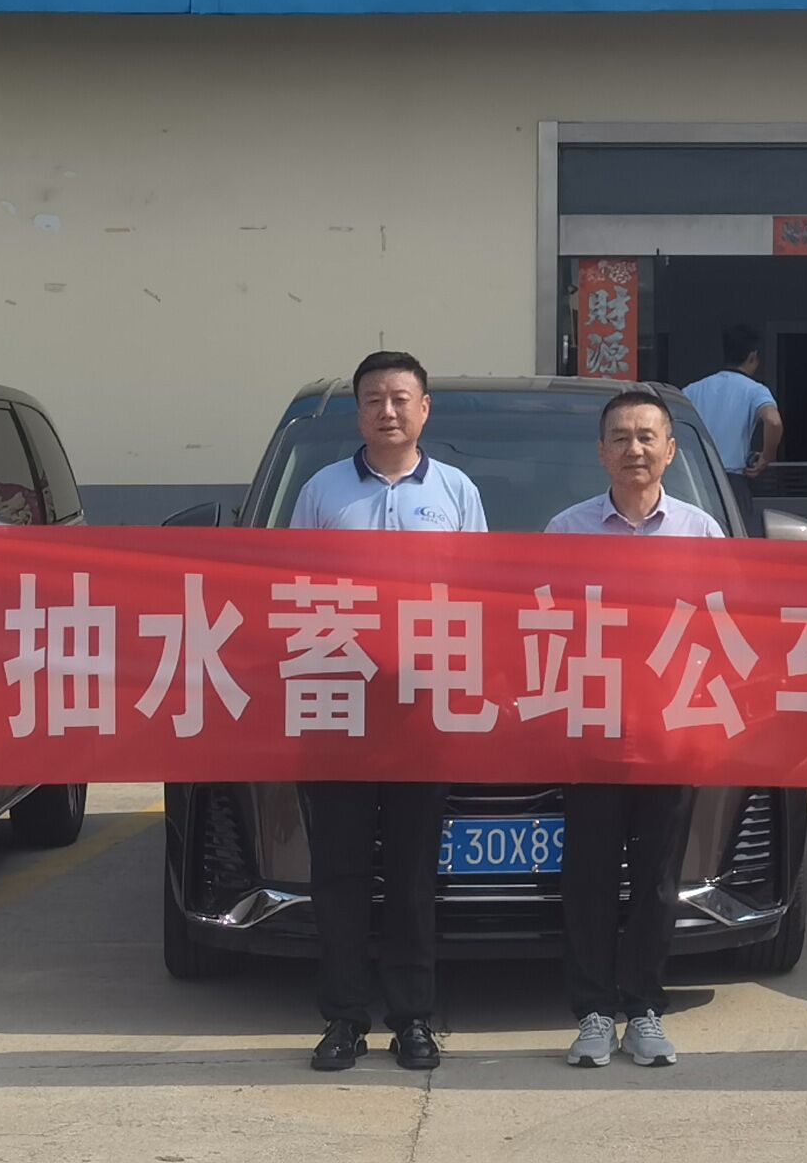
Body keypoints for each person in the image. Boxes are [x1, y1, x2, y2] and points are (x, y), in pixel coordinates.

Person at [286, 350, 488, 1073]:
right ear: (358, 412)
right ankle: (343, 1018)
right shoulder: (321, 491)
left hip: (421, 714)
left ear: (424, 409)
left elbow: (480, 596)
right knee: (338, 872)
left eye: (402, 398)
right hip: (337, 706)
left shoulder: (457, 491)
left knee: (410, 874)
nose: (389, 411)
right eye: (374, 399)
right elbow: (289, 590)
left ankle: (412, 1018)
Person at [541, 389, 726, 1069]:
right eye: (620, 437)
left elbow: (725, 630)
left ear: (670, 451)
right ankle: (593, 1012)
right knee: (588, 878)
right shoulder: (566, 532)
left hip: (669, 733)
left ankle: (644, 1008)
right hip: (591, 732)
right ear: (601, 452)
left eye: (647, 437)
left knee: (656, 879)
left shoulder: (701, 533)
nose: (634, 449)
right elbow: (541, 628)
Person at [675, 324, 781, 479]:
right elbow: (774, 421)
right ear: (753, 356)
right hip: (731, 477)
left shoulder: (692, 390)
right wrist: (766, 457)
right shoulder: (755, 390)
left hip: (696, 477)